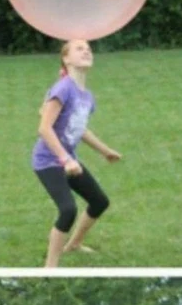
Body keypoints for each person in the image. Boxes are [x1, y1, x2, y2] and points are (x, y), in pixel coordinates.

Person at [32, 39, 121, 267]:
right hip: (48, 161)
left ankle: (74, 244)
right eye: (79, 48)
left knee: (99, 201)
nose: (87, 51)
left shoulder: (86, 96)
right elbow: (44, 128)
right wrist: (65, 159)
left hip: (69, 160)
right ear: (66, 58)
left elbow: (80, 129)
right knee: (68, 209)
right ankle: (50, 267)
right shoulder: (63, 88)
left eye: (89, 48)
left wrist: (105, 151)